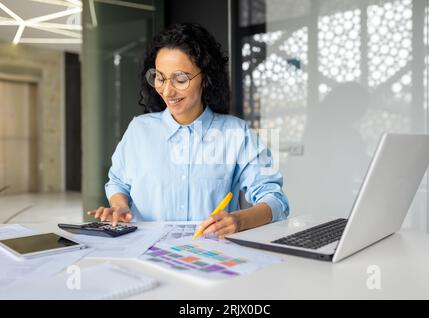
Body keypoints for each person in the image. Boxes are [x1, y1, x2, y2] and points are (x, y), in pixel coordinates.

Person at [88, 23, 289, 238]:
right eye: (160, 77)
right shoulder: (139, 129)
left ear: (205, 78)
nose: (167, 90)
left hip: (208, 256)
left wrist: (239, 221)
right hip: (146, 255)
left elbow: (276, 201)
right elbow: (118, 182)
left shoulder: (237, 133)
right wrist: (121, 207)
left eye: (180, 79)